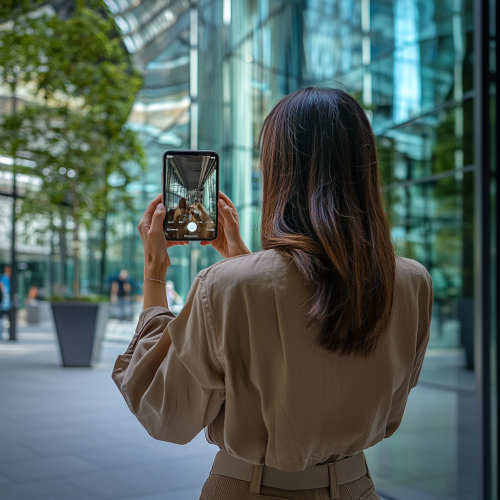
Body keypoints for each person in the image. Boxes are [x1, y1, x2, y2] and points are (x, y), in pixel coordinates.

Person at [113, 88, 433, 500]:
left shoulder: (226, 285)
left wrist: (155, 274)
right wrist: (242, 262)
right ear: (364, 170)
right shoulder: (412, 282)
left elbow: (166, 414)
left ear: (278, 172)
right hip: (358, 488)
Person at [0, 265, 11, 338]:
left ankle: (9, 333)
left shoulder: (11, 278)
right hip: (3, 302)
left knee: (9, 319)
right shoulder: (3, 278)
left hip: (8, 302)